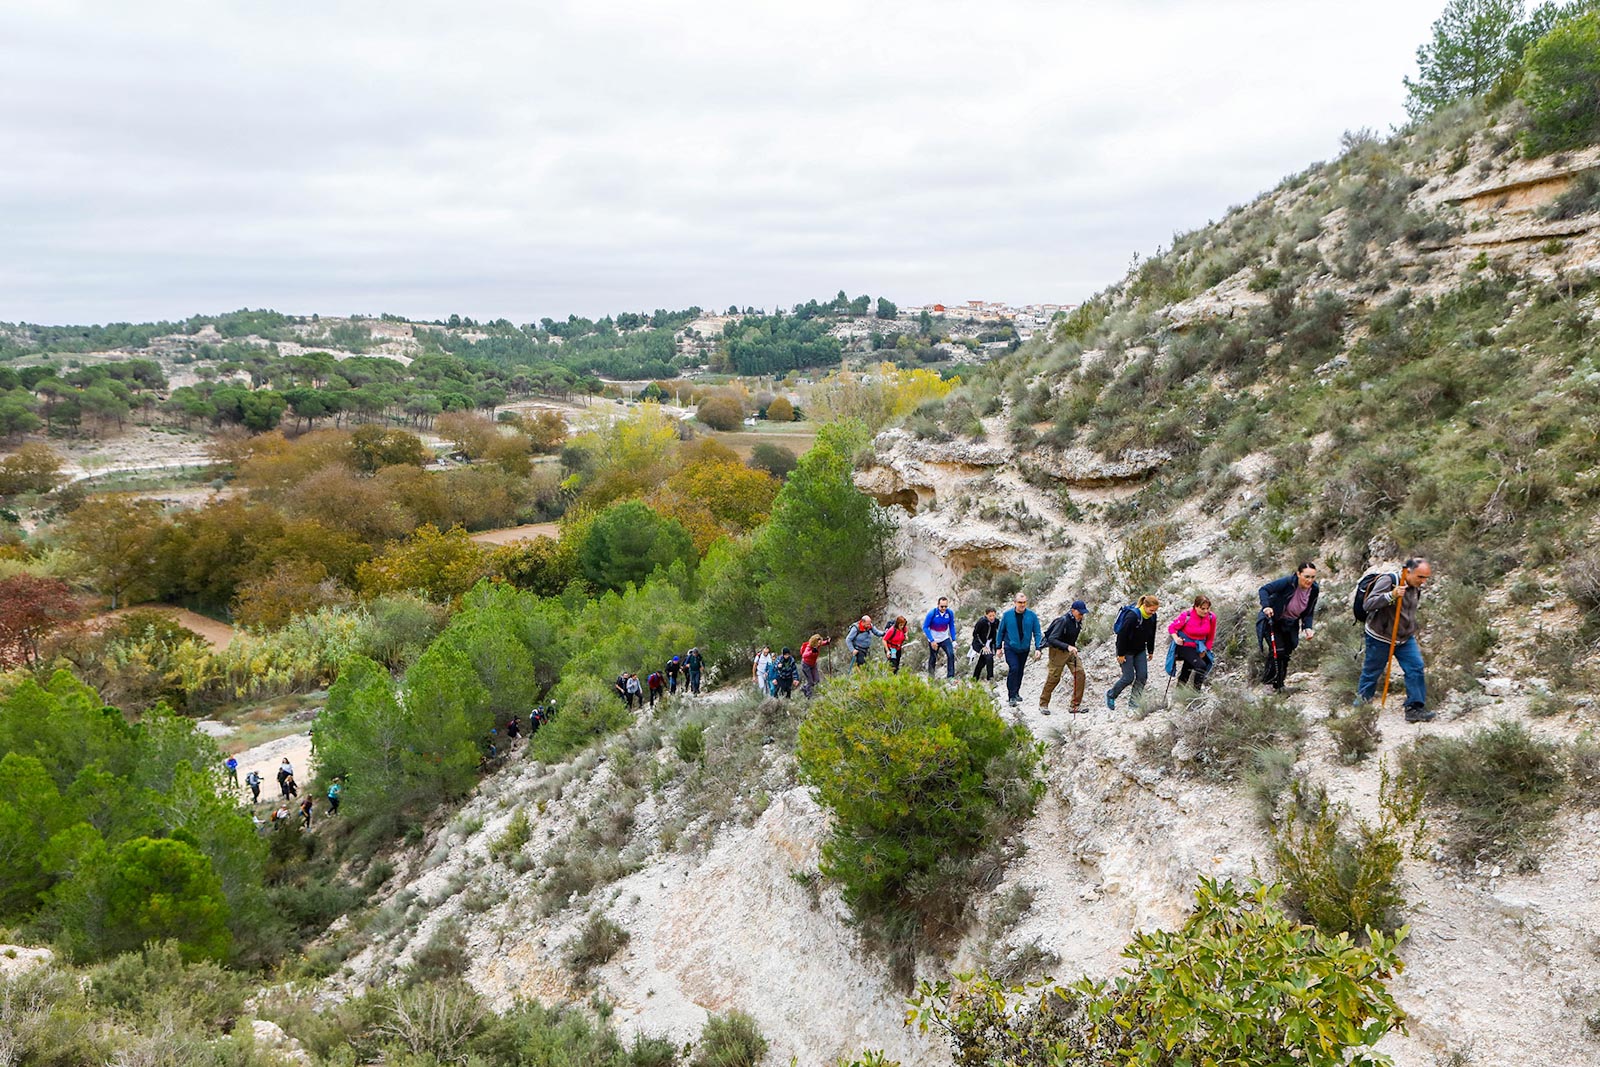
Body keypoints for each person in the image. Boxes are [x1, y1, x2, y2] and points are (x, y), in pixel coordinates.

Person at [1357, 557, 1435, 723]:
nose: (1424, 582)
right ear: (1408, 571)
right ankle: (1361, 708)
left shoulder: (1415, 587)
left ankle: (1414, 708)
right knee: (1372, 672)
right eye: (1420, 577)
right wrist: (1391, 595)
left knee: (1416, 667)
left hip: (1405, 638)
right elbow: (1368, 604)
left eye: (1426, 578)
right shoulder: (1389, 580)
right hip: (1380, 636)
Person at [1259, 562, 1320, 692]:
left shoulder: (1314, 589)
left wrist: (1307, 627)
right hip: (1273, 619)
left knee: (1287, 652)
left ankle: (1279, 684)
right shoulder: (1287, 582)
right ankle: (1268, 683)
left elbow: (1309, 611)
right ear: (1298, 574)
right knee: (1277, 650)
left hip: (1291, 623)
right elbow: (1264, 589)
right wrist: (1266, 606)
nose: (1310, 580)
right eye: (1306, 576)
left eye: (1312, 577)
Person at [1107, 595, 1160, 710]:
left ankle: (1134, 702)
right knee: (1128, 677)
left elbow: (1152, 634)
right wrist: (1120, 654)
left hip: (1140, 650)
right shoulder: (1132, 616)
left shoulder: (1152, 617)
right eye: (1151, 610)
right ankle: (1111, 694)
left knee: (1142, 676)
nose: (1153, 613)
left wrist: (1150, 650)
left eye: (1155, 610)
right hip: (1126, 651)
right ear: (1145, 606)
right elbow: (1122, 636)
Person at [1040, 600, 1089, 714]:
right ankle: (1043, 704)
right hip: (1057, 652)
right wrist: (1068, 647)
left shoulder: (1077, 621)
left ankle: (1075, 705)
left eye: (1083, 613)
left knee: (1080, 674)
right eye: (1080, 613)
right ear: (1072, 610)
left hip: (1070, 651)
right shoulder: (1063, 621)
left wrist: (1071, 648)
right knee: (1054, 678)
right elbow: (1052, 639)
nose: (1082, 615)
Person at [997, 593, 1043, 707]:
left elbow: (1037, 632)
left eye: (1024, 602)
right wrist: (998, 647)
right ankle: (1011, 695)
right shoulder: (1007, 615)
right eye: (1020, 602)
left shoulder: (1031, 616)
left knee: (1020, 670)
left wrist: (1038, 647)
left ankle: (1016, 691)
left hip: (1024, 648)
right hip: (1010, 647)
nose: (1022, 605)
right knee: (1014, 668)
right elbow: (1001, 631)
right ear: (1015, 603)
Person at [1167, 595, 1217, 690]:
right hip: (1185, 646)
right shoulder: (1187, 616)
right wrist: (1176, 638)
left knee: (1187, 668)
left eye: (1207, 608)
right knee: (1201, 665)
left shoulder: (1211, 617)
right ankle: (1196, 692)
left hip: (1199, 647)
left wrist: (1205, 650)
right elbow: (1172, 627)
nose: (1206, 611)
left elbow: (1211, 637)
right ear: (1196, 606)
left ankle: (1179, 692)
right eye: (1203, 609)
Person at [923, 597, 958, 679]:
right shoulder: (932, 613)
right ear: (938, 605)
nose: (944, 608)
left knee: (951, 654)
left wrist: (954, 640)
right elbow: (925, 627)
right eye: (942, 606)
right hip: (934, 639)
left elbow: (951, 626)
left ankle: (950, 676)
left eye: (946, 606)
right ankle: (931, 677)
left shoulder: (949, 613)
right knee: (933, 657)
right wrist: (932, 640)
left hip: (944, 638)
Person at [971, 607, 999, 681]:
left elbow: (1000, 630)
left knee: (982, 662)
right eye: (990, 616)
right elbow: (975, 634)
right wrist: (983, 646)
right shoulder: (981, 622)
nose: (992, 618)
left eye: (993, 615)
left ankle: (974, 678)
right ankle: (990, 678)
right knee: (989, 658)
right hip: (980, 644)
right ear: (986, 615)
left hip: (990, 644)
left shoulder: (996, 621)